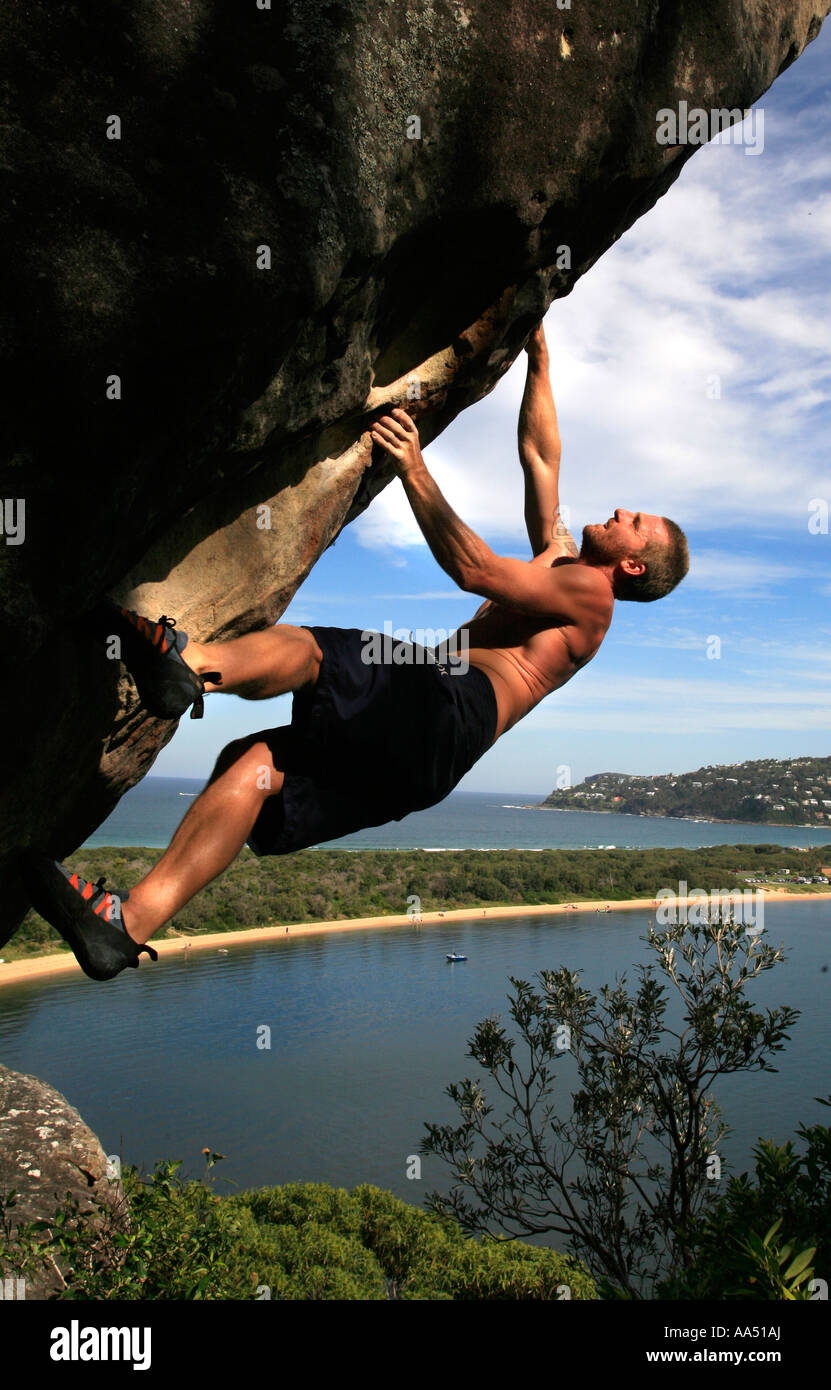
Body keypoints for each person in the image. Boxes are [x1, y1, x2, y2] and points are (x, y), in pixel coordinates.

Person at [21, 324, 689, 981]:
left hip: (450, 705)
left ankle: (189, 666)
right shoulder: (562, 566)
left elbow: (478, 571)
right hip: (429, 763)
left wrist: (413, 466)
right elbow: (541, 458)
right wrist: (538, 351)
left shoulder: (589, 597)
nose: (620, 510)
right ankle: (126, 924)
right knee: (254, 765)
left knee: (319, 651)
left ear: (631, 566)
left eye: (633, 522)